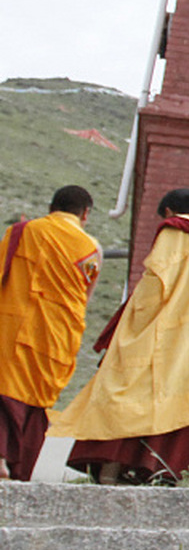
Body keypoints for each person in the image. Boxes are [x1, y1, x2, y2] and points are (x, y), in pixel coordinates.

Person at [55, 189, 189, 483]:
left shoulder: (177, 231)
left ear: (168, 213)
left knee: (131, 393)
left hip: (176, 344)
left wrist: (128, 329)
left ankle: (112, 472)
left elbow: (154, 288)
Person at [0, 185, 102, 482]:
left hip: (11, 329)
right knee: (35, 405)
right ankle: (19, 471)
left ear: (51, 207)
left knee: (5, 395)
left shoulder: (21, 232)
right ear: (85, 214)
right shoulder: (90, 248)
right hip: (55, 338)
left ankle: (1, 459)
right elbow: (84, 297)